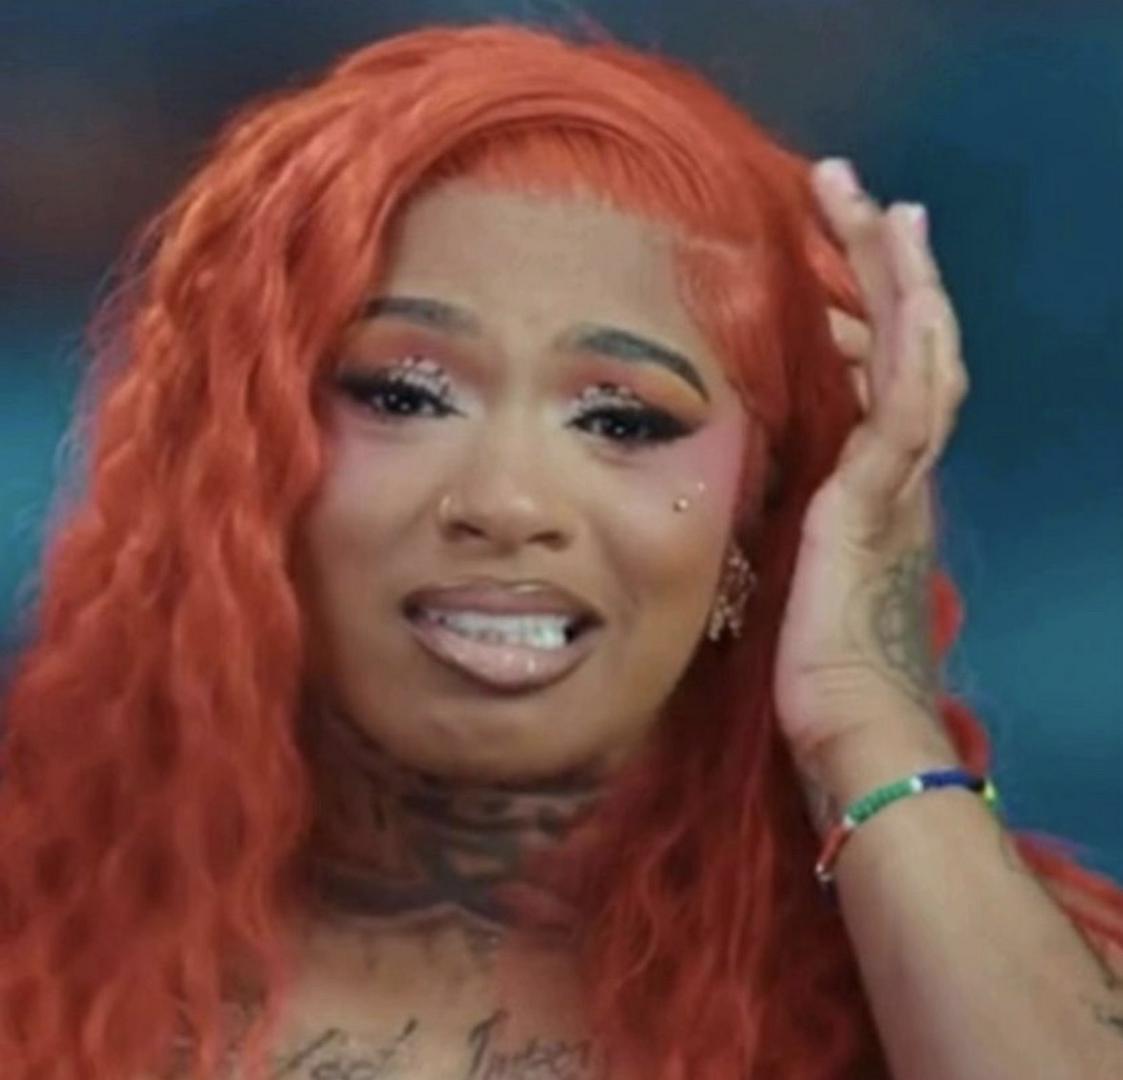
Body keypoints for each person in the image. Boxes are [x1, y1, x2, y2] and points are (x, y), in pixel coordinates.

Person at [0, 20, 1120, 1080]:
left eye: (622, 420)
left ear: (761, 518)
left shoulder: (998, 965)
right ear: (242, 472)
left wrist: (865, 713)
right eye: (403, 394)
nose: (506, 501)